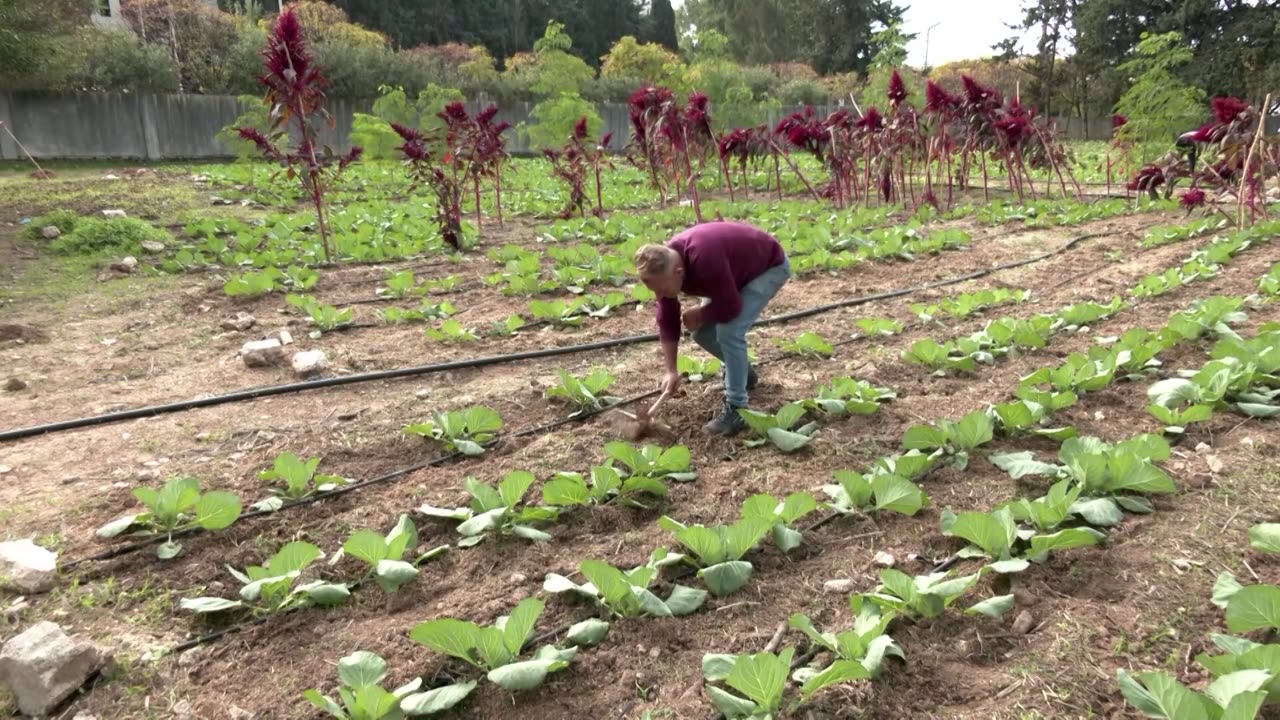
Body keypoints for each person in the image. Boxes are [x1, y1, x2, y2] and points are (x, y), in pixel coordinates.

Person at [633, 220, 791, 436]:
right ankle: (744, 375)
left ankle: (737, 409)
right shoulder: (666, 265)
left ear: (679, 272)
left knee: (729, 331)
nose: (659, 296)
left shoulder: (704, 259)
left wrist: (700, 313)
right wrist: (671, 371)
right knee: (702, 332)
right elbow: (668, 318)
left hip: (768, 266)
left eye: (662, 290)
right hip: (734, 272)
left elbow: (730, 307)